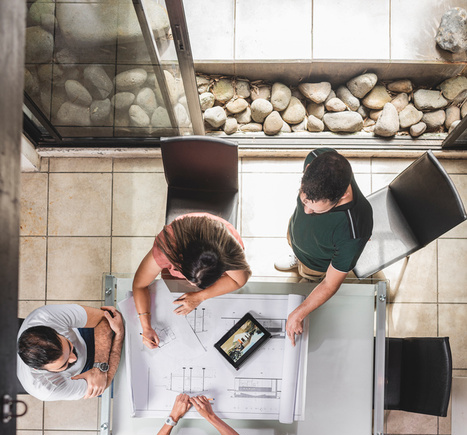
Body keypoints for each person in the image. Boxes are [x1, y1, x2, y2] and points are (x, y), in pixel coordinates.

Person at [274, 148, 373, 346]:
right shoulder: (317, 159)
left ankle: (305, 270)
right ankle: (296, 256)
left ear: (343, 196)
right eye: (304, 201)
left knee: (310, 274)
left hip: (316, 260)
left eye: (315, 210)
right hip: (297, 234)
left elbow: (329, 283)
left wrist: (299, 312)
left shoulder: (354, 230)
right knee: (294, 240)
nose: (306, 210)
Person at [133, 212, 251, 348]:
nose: (191, 286)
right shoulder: (167, 247)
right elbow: (139, 285)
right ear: (180, 258)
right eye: (190, 280)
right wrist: (146, 326)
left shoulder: (228, 251)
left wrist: (200, 296)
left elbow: (240, 280)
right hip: (176, 274)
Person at [17, 304, 124, 401]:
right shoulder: (48, 389)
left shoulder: (46, 316)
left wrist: (99, 367)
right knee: (127, 387)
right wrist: (119, 336)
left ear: (55, 331)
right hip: (84, 372)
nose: (74, 358)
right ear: (40, 369)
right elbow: (103, 384)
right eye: (64, 364)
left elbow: (104, 318)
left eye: (69, 347)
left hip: (83, 337)